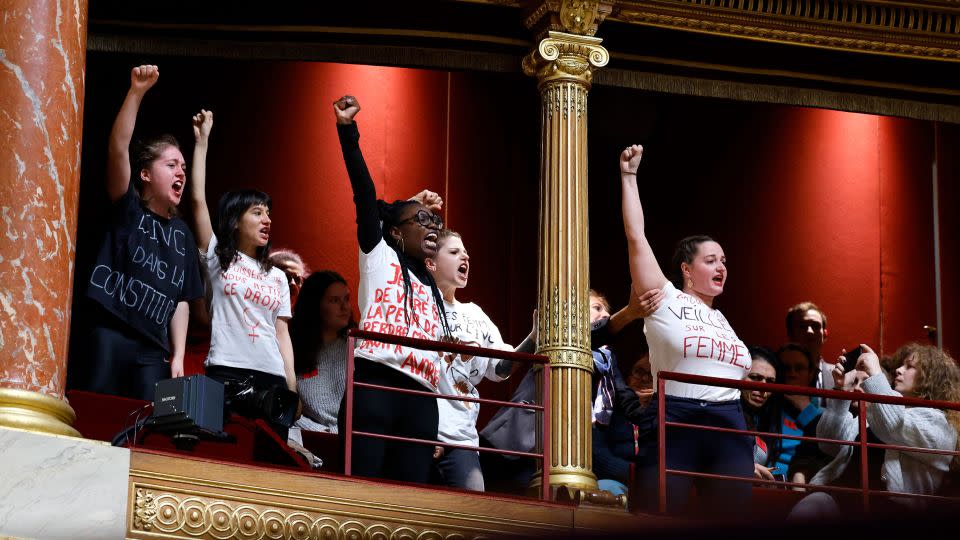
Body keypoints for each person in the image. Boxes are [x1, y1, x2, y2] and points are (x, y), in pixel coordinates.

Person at [618, 143, 753, 514]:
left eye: (724, 260)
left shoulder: (724, 321)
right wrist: (629, 177)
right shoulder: (666, 299)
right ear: (687, 270)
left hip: (729, 420)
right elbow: (636, 238)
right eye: (711, 260)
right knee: (661, 515)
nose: (721, 266)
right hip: (676, 414)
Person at [334, 94, 450, 483]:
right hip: (375, 385)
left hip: (421, 400)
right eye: (421, 219)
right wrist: (348, 132)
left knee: (410, 504)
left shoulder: (434, 287)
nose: (432, 224)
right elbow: (366, 197)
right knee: (362, 496)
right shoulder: (378, 255)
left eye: (435, 220)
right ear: (397, 232)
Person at [74, 65, 203, 401]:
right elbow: (118, 147)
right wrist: (136, 92)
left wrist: (177, 355)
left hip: (152, 348)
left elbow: (182, 301)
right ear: (145, 174)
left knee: (142, 426)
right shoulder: (128, 209)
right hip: (111, 331)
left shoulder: (183, 235)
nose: (181, 173)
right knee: (98, 412)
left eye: (184, 168)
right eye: (171, 165)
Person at [188, 110, 297, 438]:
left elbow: (282, 336)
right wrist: (202, 141)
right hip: (226, 372)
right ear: (235, 220)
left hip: (271, 376)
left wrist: (291, 386)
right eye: (257, 212)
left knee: (270, 462)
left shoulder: (277, 276)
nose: (267, 220)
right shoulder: (221, 258)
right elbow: (196, 201)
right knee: (224, 456)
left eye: (269, 214)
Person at [789, 343, 960, 518]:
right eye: (901, 365)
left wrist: (876, 374)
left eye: (910, 366)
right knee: (812, 505)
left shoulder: (941, 424)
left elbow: (893, 425)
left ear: (932, 378)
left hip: (892, 514)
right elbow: (829, 443)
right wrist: (841, 389)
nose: (899, 370)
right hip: (842, 501)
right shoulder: (874, 414)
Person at [424, 228, 536, 491]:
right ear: (431, 263)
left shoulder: (474, 313)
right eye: (454, 252)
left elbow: (499, 369)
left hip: (462, 436)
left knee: (473, 511)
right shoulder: (419, 304)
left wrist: (533, 336)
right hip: (421, 429)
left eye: (466, 253)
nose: (465, 257)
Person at [289, 270, 354, 436]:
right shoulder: (292, 349)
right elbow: (287, 407)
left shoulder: (359, 349)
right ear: (315, 305)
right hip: (308, 440)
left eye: (347, 299)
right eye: (334, 300)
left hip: (352, 442)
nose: (344, 307)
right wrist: (320, 431)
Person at [772, 343, 824, 484]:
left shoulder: (824, 415)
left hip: (808, 485)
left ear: (810, 374)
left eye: (799, 368)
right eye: (785, 368)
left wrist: (806, 408)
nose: (792, 374)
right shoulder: (766, 408)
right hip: (769, 483)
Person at [741, 347, 783, 482]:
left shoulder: (764, 419)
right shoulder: (722, 413)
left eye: (770, 382)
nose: (763, 387)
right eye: (755, 378)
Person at [786, 302, 834, 391]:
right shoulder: (774, 372)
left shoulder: (840, 376)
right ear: (790, 333)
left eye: (816, 326)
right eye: (802, 326)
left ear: (825, 334)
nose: (810, 331)